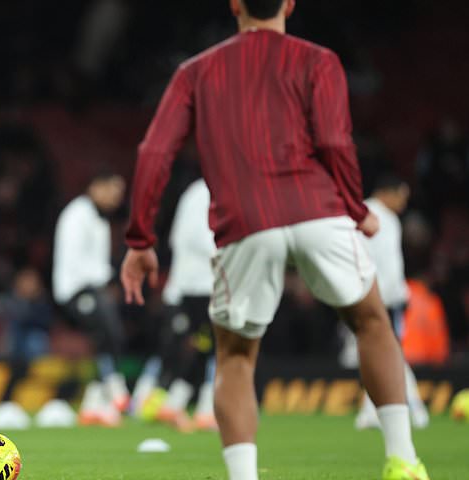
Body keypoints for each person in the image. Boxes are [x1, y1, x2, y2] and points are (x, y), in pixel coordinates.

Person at [119, 1, 427, 479]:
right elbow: (335, 142)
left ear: (235, 5)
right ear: (289, 4)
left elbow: (154, 152)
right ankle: (403, 461)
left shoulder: (194, 72)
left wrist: (141, 239)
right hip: (316, 209)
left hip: (246, 221)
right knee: (371, 322)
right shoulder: (317, 60)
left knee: (236, 356)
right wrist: (356, 208)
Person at [353, 174, 430, 430]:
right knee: (390, 355)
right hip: (378, 299)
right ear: (387, 192)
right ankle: (415, 409)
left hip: (387, 299)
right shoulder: (366, 214)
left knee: (382, 356)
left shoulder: (389, 218)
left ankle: (371, 411)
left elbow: (393, 264)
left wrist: (401, 293)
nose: (403, 204)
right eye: (401, 197)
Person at [52, 171, 130, 423]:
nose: (117, 198)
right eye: (113, 191)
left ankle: (93, 405)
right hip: (73, 291)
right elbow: (74, 261)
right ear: (96, 187)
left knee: (104, 337)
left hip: (93, 289)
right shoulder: (77, 215)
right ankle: (115, 384)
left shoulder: (100, 219)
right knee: (109, 327)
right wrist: (106, 280)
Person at [147, 178, 218, 432]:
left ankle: (174, 404)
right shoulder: (204, 192)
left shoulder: (197, 191)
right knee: (215, 345)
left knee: (202, 347)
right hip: (200, 284)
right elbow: (194, 236)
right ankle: (206, 410)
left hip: (197, 284)